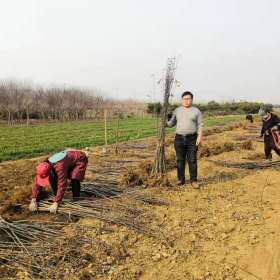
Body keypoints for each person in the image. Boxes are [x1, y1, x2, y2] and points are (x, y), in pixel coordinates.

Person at [29, 149, 88, 213]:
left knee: (75, 177)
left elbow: (62, 183)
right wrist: (34, 199)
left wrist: (56, 202)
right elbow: (38, 182)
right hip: (66, 161)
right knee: (52, 177)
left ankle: (76, 199)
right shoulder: (43, 166)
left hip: (79, 159)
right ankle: (56, 196)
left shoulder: (60, 166)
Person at [167, 91, 203, 188]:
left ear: (191, 100)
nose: (186, 101)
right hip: (179, 138)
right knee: (180, 160)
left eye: (188, 99)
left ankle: (194, 181)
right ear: (182, 100)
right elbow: (171, 123)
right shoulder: (177, 110)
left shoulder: (196, 111)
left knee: (192, 160)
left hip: (192, 138)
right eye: (184, 99)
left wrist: (199, 137)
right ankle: (181, 179)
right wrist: (165, 121)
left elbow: (200, 125)